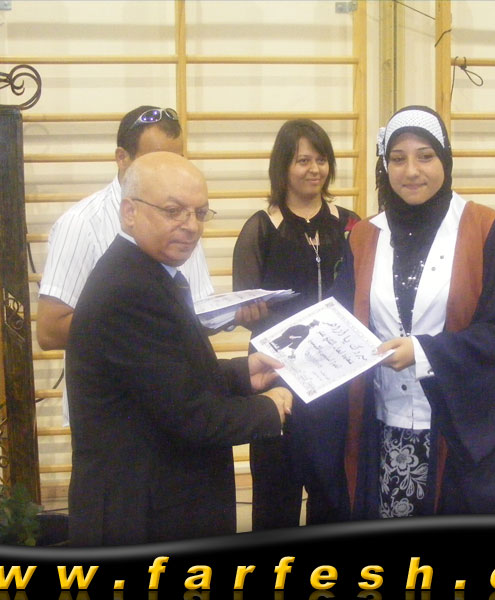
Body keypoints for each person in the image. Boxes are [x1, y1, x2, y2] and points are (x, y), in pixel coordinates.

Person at [65, 151, 293, 546]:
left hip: (152, 501)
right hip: (142, 513)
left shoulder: (145, 272)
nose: (190, 226)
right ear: (129, 212)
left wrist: (242, 372)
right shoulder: (131, 289)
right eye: (173, 211)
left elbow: (165, 377)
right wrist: (268, 409)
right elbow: (192, 416)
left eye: (200, 213)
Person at [336, 106, 495, 519]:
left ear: (445, 159)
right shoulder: (365, 236)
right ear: (384, 165)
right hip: (386, 422)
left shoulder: (485, 228)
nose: (411, 171)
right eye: (398, 158)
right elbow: (344, 321)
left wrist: (424, 352)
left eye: (425, 156)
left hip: (460, 429)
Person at [37, 105, 213, 424]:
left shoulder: (186, 221)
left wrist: (231, 314)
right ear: (122, 158)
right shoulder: (81, 223)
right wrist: (138, 323)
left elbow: (194, 313)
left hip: (178, 403)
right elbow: (49, 330)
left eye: (177, 159)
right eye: (155, 159)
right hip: (116, 418)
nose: (169, 170)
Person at [232, 119, 360, 530]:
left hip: (334, 373)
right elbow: (245, 305)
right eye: (303, 160)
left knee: (332, 486)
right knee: (276, 488)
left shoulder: (349, 224)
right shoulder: (261, 227)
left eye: (321, 160)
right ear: (283, 166)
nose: (314, 169)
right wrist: (249, 313)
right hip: (278, 375)